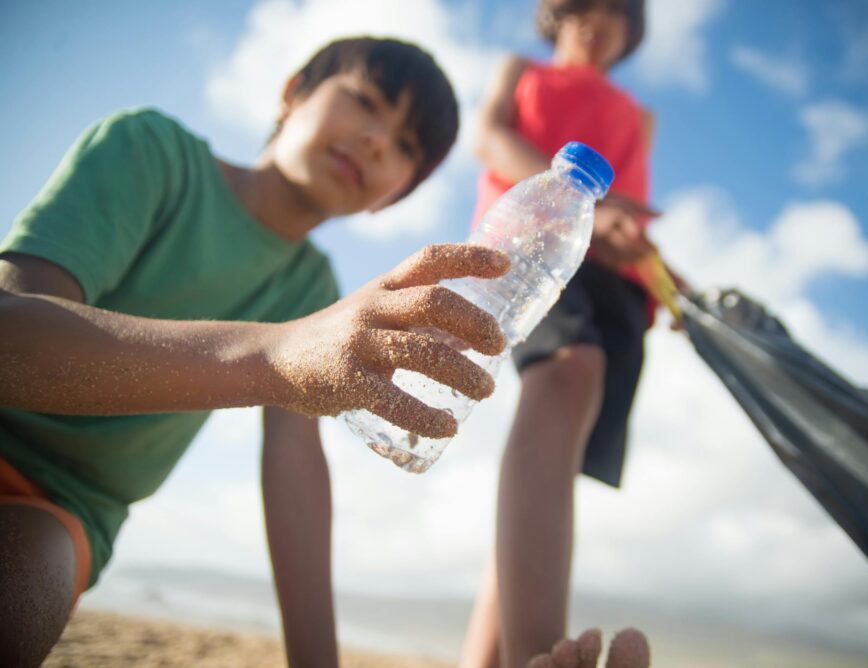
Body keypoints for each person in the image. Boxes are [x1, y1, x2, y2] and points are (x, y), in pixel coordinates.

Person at [0, 37, 511, 668]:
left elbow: (294, 469)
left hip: (63, 510)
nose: (377, 139)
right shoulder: (151, 152)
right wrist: (277, 355)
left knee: (25, 581)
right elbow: (10, 338)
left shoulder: (312, 292)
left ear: (394, 195)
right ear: (293, 91)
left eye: (406, 145)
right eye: (364, 101)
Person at [460, 1, 658, 666]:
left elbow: (633, 206)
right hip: (538, 248)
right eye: (584, 7)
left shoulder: (640, 114)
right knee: (571, 371)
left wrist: (659, 272)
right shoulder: (521, 71)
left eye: (616, 13)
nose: (597, 22)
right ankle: (536, 658)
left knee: (553, 471)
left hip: (618, 281)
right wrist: (585, 209)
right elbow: (489, 137)